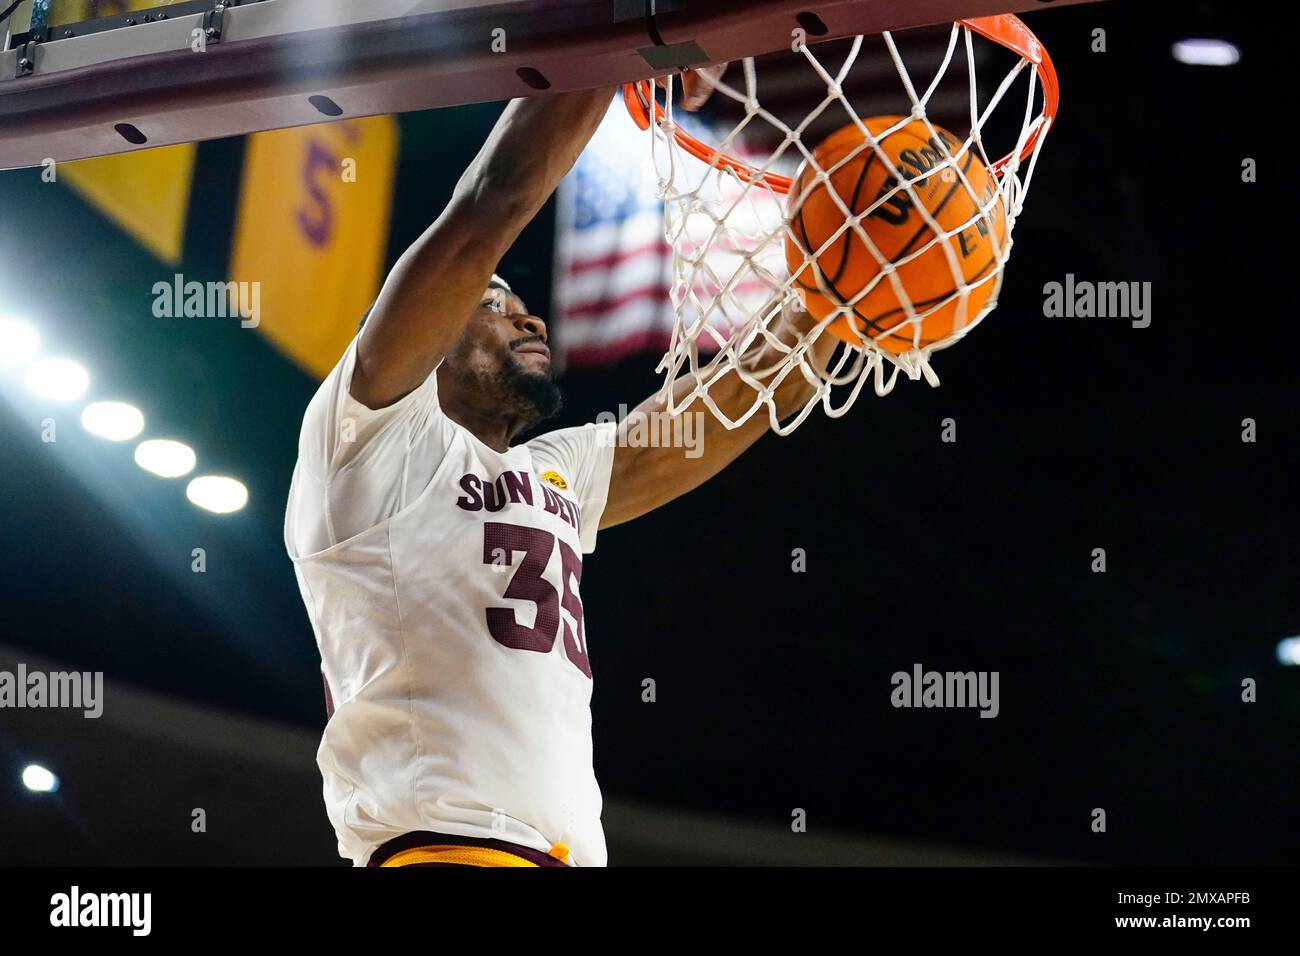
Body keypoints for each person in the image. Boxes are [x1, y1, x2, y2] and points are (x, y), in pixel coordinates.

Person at [284, 70, 836, 867]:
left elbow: (722, 411)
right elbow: (488, 210)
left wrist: (836, 292)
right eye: (493, 302)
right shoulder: (367, 435)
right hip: (446, 849)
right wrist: (618, 47)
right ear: (421, 332)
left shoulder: (551, 472)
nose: (527, 314)